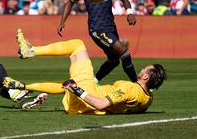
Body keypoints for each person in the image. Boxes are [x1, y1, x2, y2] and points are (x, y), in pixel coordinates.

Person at [15, 29, 166, 114]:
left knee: (77, 45)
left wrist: (77, 90)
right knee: (66, 84)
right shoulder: (148, 99)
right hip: (87, 102)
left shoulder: (129, 88)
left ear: (145, 76)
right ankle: (22, 87)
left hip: (88, 95)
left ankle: (31, 51)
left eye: (144, 69)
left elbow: (101, 105)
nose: (141, 69)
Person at [56, 0, 138, 83]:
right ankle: (138, 84)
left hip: (111, 27)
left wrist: (130, 12)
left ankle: (93, 81)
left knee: (114, 60)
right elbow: (70, 2)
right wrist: (62, 22)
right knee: (125, 54)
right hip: (97, 29)